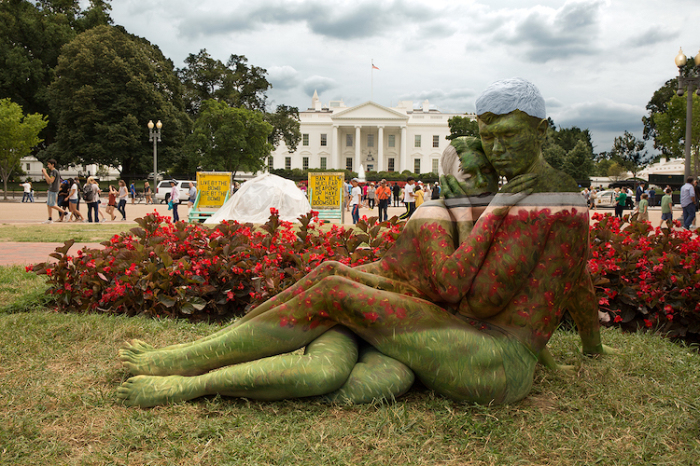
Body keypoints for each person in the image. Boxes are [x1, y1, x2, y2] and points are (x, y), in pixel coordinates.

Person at [117, 77, 612, 408]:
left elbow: (479, 299)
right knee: (332, 277)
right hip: (475, 340)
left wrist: (481, 218)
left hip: (490, 362)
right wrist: (591, 349)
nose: (496, 151)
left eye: (507, 136)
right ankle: (208, 347)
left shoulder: (528, 202)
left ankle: (190, 367)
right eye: (489, 139)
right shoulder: (554, 191)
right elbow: (577, 277)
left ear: (539, 128)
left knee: (336, 293)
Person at [41, 159, 67, 224]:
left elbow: (51, 180)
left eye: (49, 164)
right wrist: (45, 174)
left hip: (53, 190)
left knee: (52, 204)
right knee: (48, 205)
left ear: (53, 165)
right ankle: (50, 218)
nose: (48, 166)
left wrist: (45, 173)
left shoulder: (54, 171)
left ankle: (65, 212)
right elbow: (48, 181)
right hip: (52, 189)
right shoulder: (53, 172)